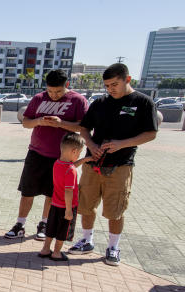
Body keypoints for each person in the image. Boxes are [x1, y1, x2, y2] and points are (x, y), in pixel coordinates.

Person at [68, 63, 158, 266]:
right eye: (107, 85)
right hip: (93, 164)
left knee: (115, 209)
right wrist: (90, 144)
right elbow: (84, 129)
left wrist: (122, 144)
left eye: (114, 84)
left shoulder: (143, 102)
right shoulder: (100, 103)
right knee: (86, 205)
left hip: (121, 166)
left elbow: (151, 133)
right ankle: (87, 240)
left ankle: (113, 247)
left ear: (128, 79)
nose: (110, 89)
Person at [4, 69, 88, 240]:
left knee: (52, 193)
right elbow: (26, 122)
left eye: (58, 91)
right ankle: (20, 224)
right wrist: (39, 121)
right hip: (36, 152)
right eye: (50, 91)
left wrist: (61, 124)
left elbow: (83, 127)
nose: (54, 95)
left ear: (67, 85)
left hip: (61, 158)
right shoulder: (39, 98)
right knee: (27, 191)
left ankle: (44, 223)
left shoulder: (78, 100)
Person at [39, 133, 92, 261]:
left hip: (55, 204)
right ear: (74, 151)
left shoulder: (57, 163)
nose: (79, 156)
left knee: (51, 227)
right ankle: (57, 252)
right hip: (66, 207)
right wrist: (69, 210)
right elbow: (68, 191)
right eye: (79, 153)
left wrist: (84, 160)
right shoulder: (71, 171)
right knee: (62, 231)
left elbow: (71, 166)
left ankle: (45, 249)